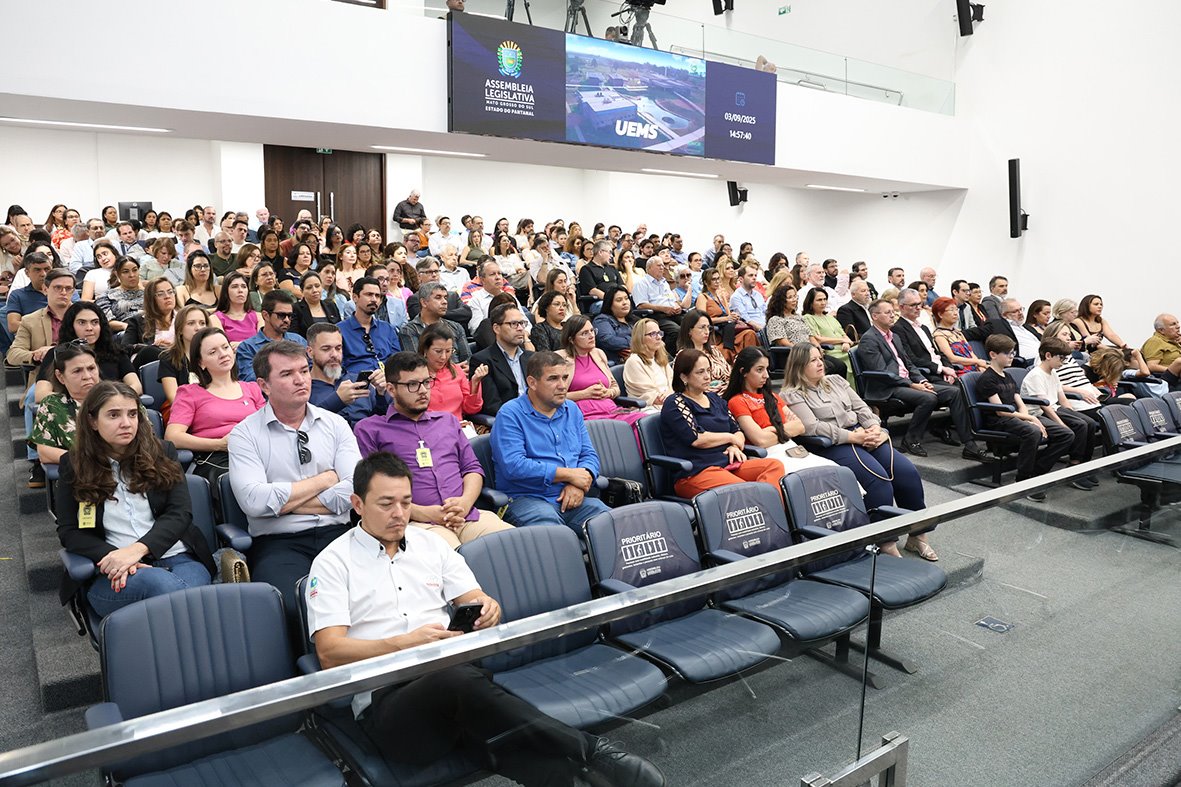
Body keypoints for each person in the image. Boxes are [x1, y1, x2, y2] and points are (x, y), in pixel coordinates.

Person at [304, 452, 663, 786]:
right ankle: (592, 750)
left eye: (406, 502)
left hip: (459, 689)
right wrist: (404, 644)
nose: (399, 513)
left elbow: (475, 598)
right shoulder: (333, 562)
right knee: (461, 686)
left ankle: (584, 774)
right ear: (358, 504)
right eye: (386, 504)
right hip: (390, 708)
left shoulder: (430, 545)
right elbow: (329, 653)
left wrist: (488, 608)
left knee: (503, 741)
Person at [55, 381, 214, 617]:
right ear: (92, 421)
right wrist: (117, 556)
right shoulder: (74, 464)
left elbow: (179, 513)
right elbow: (70, 531)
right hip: (114, 569)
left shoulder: (162, 452)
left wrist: (137, 551)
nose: (126, 423)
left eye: (132, 414)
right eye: (113, 415)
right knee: (181, 594)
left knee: (178, 594)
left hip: (179, 558)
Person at [228, 340, 361, 619]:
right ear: (264, 385)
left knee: (368, 597)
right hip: (278, 543)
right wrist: (325, 480)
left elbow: (354, 490)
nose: (301, 380)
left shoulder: (336, 424)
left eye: (303, 370)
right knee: (293, 609)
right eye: (287, 374)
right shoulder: (245, 435)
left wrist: (281, 504)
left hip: (339, 534)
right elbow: (254, 502)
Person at [782, 345, 931, 557]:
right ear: (799, 366)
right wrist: (853, 437)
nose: (820, 363)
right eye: (812, 360)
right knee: (878, 481)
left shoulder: (836, 381)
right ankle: (884, 541)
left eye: (820, 358)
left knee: (907, 473)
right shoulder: (792, 394)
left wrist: (875, 429)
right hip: (832, 444)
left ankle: (918, 534)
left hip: (863, 433)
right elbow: (812, 427)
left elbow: (861, 408)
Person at [354, 353, 513, 548]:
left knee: (515, 546)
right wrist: (425, 513)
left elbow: (472, 468)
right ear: (391, 389)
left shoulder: (447, 421)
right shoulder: (370, 430)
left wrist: (464, 503)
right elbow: (376, 491)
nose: (423, 391)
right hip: (416, 522)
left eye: (426, 382)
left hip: (466, 515)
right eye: (413, 384)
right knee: (454, 558)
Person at [490, 352, 610, 532]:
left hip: (571, 495)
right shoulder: (510, 414)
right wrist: (569, 475)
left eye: (565, 377)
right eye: (553, 379)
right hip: (526, 498)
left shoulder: (572, 410)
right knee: (554, 535)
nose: (562, 385)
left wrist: (578, 484)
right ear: (532, 382)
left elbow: (588, 455)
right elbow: (514, 466)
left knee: (613, 525)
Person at [659, 348, 786, 498]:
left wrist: (734, 446)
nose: (707, 376)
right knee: (747, 490)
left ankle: (770, 507)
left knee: (773, 466)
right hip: (696, 472)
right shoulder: (675, 402)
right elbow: (697, 438)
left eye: (708, 370)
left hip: (728, 464)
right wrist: (730, 438)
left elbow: (737, 431)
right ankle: (766, 508)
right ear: (684, 377)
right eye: (700, 372)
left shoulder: (715, 399)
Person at [857, 299, 966, 457]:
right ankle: (910, 440)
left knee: (954, 392)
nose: (892, 315)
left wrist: (922, 381)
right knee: (928, 398)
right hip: (887, 387)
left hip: (906, 382)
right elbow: (882, 372)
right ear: (875, 316)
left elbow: (909, 364)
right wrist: (912, 384)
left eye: (892, 312)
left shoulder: (894, 336)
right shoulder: (869, 339)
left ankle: (969, 442)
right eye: (887, 312)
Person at [974, 334, 1074, 501]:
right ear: (993, 355)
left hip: (1015, 416)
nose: (1012, 356)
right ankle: (1023, 478)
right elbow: (1000, 411)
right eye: (1007, 353)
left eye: (1013, 353)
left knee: (1066, 434)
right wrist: (1031, 420)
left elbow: (1019, 402)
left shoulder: (1008, 376)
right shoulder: (987, 378)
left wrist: (1029, 417)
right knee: (1033, 432)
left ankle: (1036, 473)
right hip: (999, 421)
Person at [724, 347, 841, 475]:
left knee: (835, 470)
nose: (766, 375)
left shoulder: (772, 396)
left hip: (792, 449)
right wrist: (785, 429)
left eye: (767, 369)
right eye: (759, 370)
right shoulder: (737, 401)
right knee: (811, 476)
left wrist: (771, 429)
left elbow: (800, 427)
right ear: (743, 372)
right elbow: (761, 440)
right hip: (767, 456)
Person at [1019, 336, 1099, 488]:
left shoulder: (1053, 372)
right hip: (1039, 412)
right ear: (1048, 355)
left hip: (1054, 408)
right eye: (1061, 358)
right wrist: (1062, 423)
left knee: (1089, 423)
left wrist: (1074, 414)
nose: (1063, 362)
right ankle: (1072, 465)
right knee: (1076, 428)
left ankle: (1083, 465)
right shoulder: (1036, 375)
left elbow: (1062, 399)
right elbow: (1044, 406)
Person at [558, 315, 645, 427]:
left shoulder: (598, 353)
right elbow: (553, 397)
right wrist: (584, 394)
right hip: (583, 414)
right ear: (571, 339)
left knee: (642, 420)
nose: (591, 336)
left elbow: (615, 387)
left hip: (611, 410)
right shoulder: (560, 359)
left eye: (592, 331)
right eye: (584, 333)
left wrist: (608, 392)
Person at [31, 344, 101, 467]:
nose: (87, 376)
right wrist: (85, 461)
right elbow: (44, 453)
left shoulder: (116, 398)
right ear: (60, 376)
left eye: (91, 368)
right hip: (79, 471)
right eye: (77, 371)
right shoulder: (52, 405)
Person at [307, 323, 386, 427]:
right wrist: (337, 400)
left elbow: (382, 421)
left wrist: (381, 394)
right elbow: (306, 425)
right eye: (326, 349)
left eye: (338, 348)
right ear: (310, 352)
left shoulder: (357, 381)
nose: (334, 355)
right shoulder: (303, 388)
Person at [469, 304, 533, 418]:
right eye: (514, 324)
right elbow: (492, 406)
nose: (520, 328)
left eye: (522, 323)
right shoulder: (482, 360)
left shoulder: (531, 358)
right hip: (511, 418)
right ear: (496, 328)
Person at [418, 323, 486, 423]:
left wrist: (475, 383)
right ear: (425, 349)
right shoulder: (414, 374)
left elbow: (471, 409)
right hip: (427, 426)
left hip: (457, 426)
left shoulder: (456, 371)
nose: (443, 357)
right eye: (438, 351)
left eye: (448, 351)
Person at [235, 289, 308, 382]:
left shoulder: (298, 341)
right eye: (281, 315)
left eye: (289, 316)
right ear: (265, 315)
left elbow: (311, 369)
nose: (287, 320)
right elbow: (249, 379)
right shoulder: (248, 347)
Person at [156, 305, 211, 419]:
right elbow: (173, 397)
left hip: (214, 407)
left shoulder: (215, 355)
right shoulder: (168, 358)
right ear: (180, 329)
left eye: (202, 323)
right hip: (184, 411)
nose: (198, 328)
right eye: (191, 323)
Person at [339, 277, 400, 375]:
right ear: (355, 297)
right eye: (369, 295)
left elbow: (397, 362)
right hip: (356, 381)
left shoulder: (388, 329)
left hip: (387, 380)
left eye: (377, 296)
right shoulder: (339, 331)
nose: (374, 299)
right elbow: (337, 368)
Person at [398, 282, 472, 364]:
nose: (445, 302)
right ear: (424, 302)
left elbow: (467, 359)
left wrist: (464, 367)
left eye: (445, 297)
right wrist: (453, 369)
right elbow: (416, 364)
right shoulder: (409, 330)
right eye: (438, 297)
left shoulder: (456, 327)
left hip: (459, 371)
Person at [696, 267, 757, 360]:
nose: (717, 281)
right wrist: (725, 318)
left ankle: (751, 362)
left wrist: (733, 316)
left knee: (750, 333)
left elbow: (728, 315)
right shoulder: (703, 297)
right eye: (713, 279)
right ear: (706, 282)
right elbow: (701, 320)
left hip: (728, 327)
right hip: (716, 331)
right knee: (748, 334)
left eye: (718, 278)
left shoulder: (720, 296)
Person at [632, 253, 687, 356]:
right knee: (676, 331)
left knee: (692, 324)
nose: (662, 267)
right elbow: (641, 305)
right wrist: (663, 309)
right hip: (655, 315)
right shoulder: (641, 283)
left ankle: (688, 354)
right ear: (649, 268)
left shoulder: (664, 283)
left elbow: (672, 300)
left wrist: (677, 306)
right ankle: (667, 357)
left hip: (673, 313)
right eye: (659, 265)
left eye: (662, 265)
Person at [801, 287, 852, 382]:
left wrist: (846, 342)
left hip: (844, 349)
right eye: (819, 300)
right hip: (830, 351)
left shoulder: (830, 318)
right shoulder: (808, 318)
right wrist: (842, 340)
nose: (823, 302)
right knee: (854, 359)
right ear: (811, 302)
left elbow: (843, 334)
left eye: (825, 299)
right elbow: (818, 339)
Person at [676, 309, 731, 393]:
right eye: (702, 327)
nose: (707, 332)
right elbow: (684, 387)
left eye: (708, 328)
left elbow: (729, 375)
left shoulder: (714, 350)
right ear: (689, 331)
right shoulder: (683, 356)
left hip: (726, 392)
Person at [623, 317, 674, 407]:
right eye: (653, 334)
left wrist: (671, 393)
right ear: (641, 338)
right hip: (648, 408)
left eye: (659, 333)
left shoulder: (661, 358)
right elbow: (654, 397)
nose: (659, 337)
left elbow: (673, 384)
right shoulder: (634, 361)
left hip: (669, 402)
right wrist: (671, 396)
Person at [931, 297, 988, 373]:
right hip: (960, 370)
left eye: (956, 309)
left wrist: (979, 365)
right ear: (940, 314)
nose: (955, 313)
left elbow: (971, 353)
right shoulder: (939, 335)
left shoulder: (958, 332)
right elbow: (952, 359)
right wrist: (977, 362)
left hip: (973, 367)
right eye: (951, 310)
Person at [214, 271, 263, 348]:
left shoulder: (258, 316)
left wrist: (240, 344)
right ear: (226, 291)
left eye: (244, 286)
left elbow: (262, 344)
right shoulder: (215, 318)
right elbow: (222, 346)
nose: (240, 290)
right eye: (235, 286)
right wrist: (252, 344)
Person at [95, 256, 145, 333]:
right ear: (117, 274)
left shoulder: (150, 294)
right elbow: (106, 321)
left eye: (135, 270)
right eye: (126, 272)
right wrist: (128, 327)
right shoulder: (106, 296)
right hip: (123, 332)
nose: (132, 275)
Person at [593, 284, 635, 365]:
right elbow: (609, 340)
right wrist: (637, 342)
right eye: (619, 300)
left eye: (626, 298)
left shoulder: (635, 319)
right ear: (609, 304)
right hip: (616, 363)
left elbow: (653, 335)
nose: (625, 302)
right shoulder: (601, 320)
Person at [292, 271, 341, 338]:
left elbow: (340, 329)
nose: (315, 290)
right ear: (302, 291)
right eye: (309, 287)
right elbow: (294, 336)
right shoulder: (296, 309)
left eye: (317, 286)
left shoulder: (331, 305)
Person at [1141, 313, 1181, 390]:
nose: (1178, 326)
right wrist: (1175, 369)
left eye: (1177, 323)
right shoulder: (1155, 341)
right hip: (1167, 381)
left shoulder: (1175, 342)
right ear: (1161, 330)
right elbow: (1152, 366)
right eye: (1173, 324)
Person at [728, 263, 768, 332]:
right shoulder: (736, 297)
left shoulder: (758, 295)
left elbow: (766, 312)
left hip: (766, 327)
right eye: (750, 275)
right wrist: (763, 330)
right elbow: (746, 320)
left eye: (755, 275)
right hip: (753, 330)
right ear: (741, 279)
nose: (754, 278)